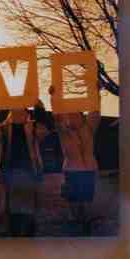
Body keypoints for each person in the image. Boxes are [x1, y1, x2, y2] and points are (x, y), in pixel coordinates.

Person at [0, 102, 50, 237]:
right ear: (10, 113)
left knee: (29, 202)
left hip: (30, 169)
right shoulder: (3, 128)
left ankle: (29, 232)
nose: (18, 113)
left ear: (26, 112)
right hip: (9, 169)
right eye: (15, 111)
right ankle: (14, 231)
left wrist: (40, 110)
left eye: (21, 110)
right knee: (11, 203)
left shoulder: (34, 126)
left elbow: (45, 132)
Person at [48, 84, 101, 234]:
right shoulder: (63, 131)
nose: (71, 117)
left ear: (82, 116)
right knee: (73, 199)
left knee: (85, 200)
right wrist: (53, 97)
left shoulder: (89, 127)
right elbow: (57, 116)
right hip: (72, 170)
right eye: (69, 115)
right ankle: (75, 221)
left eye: (75, 115)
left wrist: (96, 91)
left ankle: (84, 223)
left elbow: (95, 111)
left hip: (89, 169)